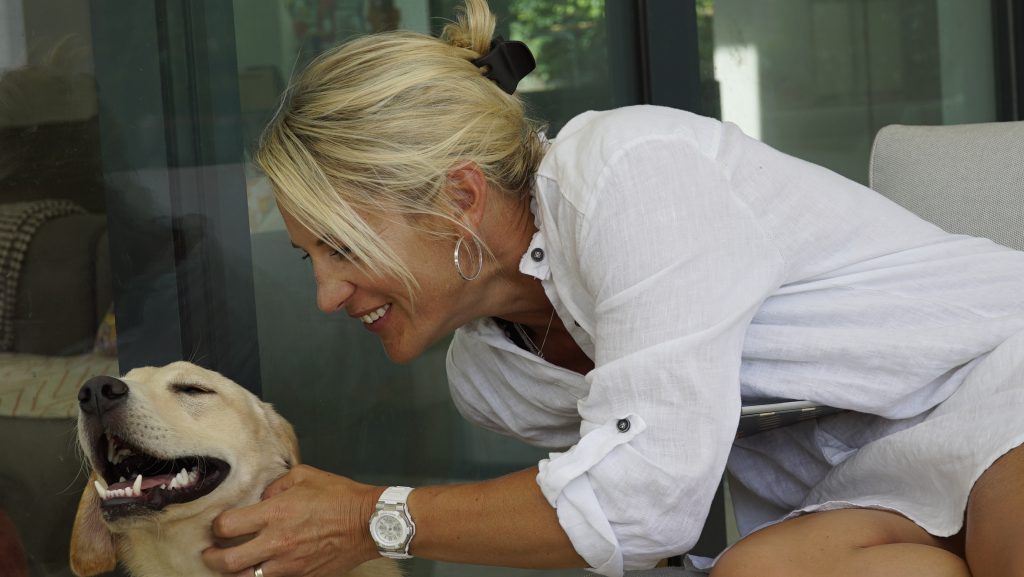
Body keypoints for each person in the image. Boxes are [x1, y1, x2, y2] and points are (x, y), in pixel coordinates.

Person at [201, 1, 1024, 576]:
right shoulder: (493, 381)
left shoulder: (630, 174)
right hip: (868, 481)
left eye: (344, 247)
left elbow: (641, 498)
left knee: (1009, 531)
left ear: (458, 195)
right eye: (312, 258)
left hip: (992, 379)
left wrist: (366, 517)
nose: (327, 295)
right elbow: (625, 516)